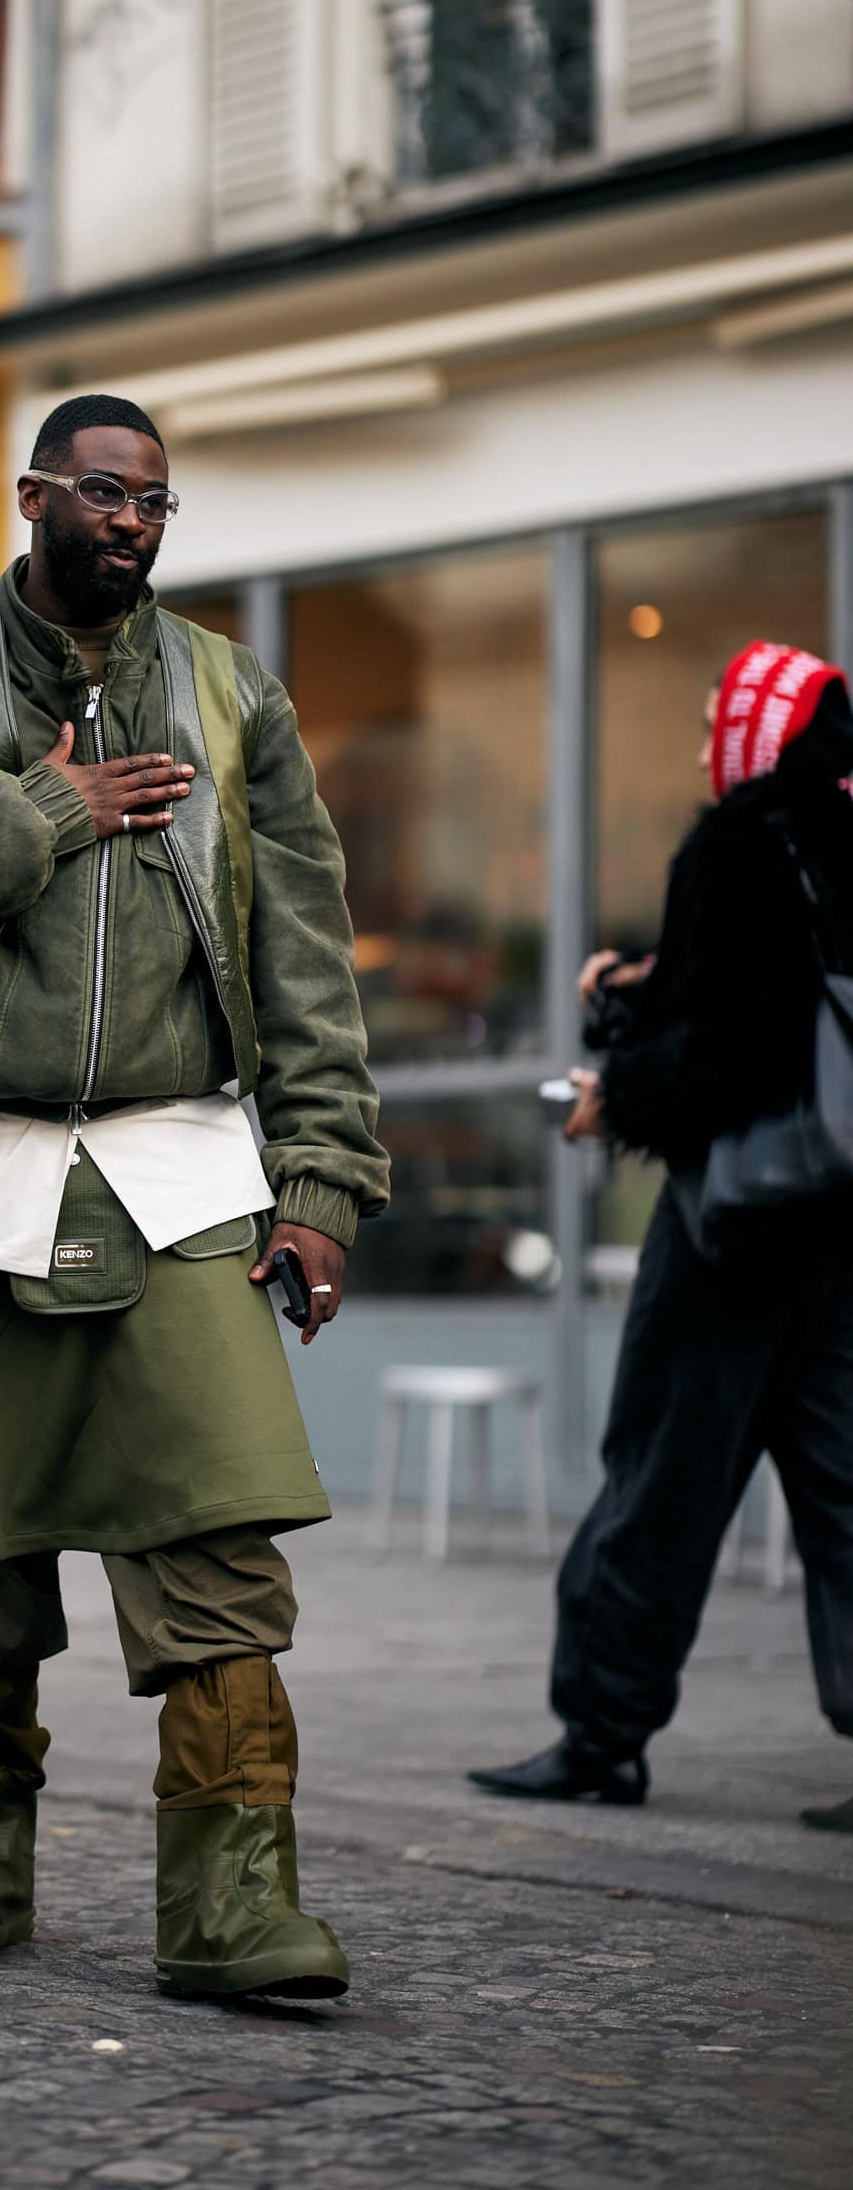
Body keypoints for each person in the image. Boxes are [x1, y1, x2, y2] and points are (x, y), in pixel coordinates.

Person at [0, 394, 388, 1997]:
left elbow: (303, 961)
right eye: (104, 493)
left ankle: (232, 1903)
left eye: (155, 504)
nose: (131, 523)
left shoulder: (234, 698)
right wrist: (39, 813)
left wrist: (318, 1177)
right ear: (34, 494)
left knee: (223, 1539)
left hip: (174, 1171)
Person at [471, 642, 853, 1832]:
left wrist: (612, 1095)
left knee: (660, 1478)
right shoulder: (834, 841)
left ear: (756, 730)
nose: (700, 748)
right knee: (845, 1494)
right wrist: (634, 993)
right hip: (837, 1235)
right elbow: (776, 1014)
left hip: (732, 1231)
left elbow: (727, 1054)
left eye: (712, 723)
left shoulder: (739, 845)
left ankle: (600, 1735)